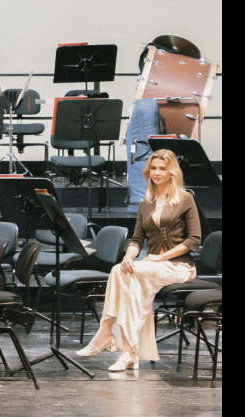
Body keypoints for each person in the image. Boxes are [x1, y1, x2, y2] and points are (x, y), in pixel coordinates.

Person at [78, 148, 200, 371]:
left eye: (162, 169)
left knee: (129, 274)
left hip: (179, 266)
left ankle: (113, 340)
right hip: (152, 264)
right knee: (120, 271)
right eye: (153, 168)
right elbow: (136, 240)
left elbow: (194, 239)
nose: (157, 173)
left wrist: (161, 256)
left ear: (172, 172)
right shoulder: (146, 203)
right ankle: (124, 347)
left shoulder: (185, 198)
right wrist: (128, 256)